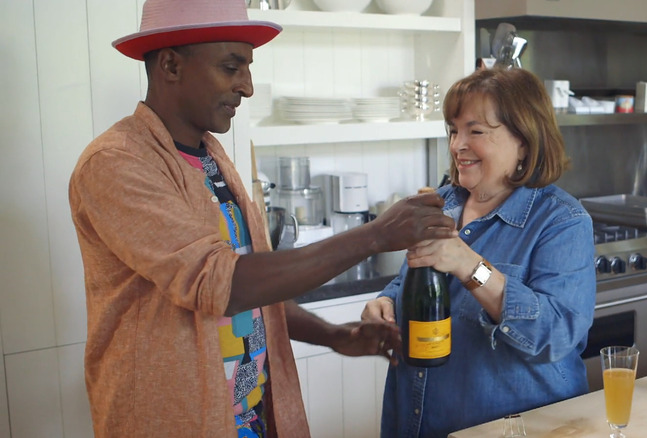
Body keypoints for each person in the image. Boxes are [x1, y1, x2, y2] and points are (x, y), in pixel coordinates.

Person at [67, 0, 456, 437]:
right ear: (171, 65)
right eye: (232, 67)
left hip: (250, 419)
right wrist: (375, 235)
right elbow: (221, 282)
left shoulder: (211, 158)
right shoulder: (116, 162)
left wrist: (332, 336)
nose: (247, 87)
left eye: (247, 68)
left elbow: (254, 287)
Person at [361, 67, 597, 438]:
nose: (457, 145)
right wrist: (386, 301)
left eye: (476, 131)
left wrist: (471, 266)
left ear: (524, 139)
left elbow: (559, 335)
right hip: (419, 421)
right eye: (454, 130)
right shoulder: (440, 203)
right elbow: (415, 279)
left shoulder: (562, 221)